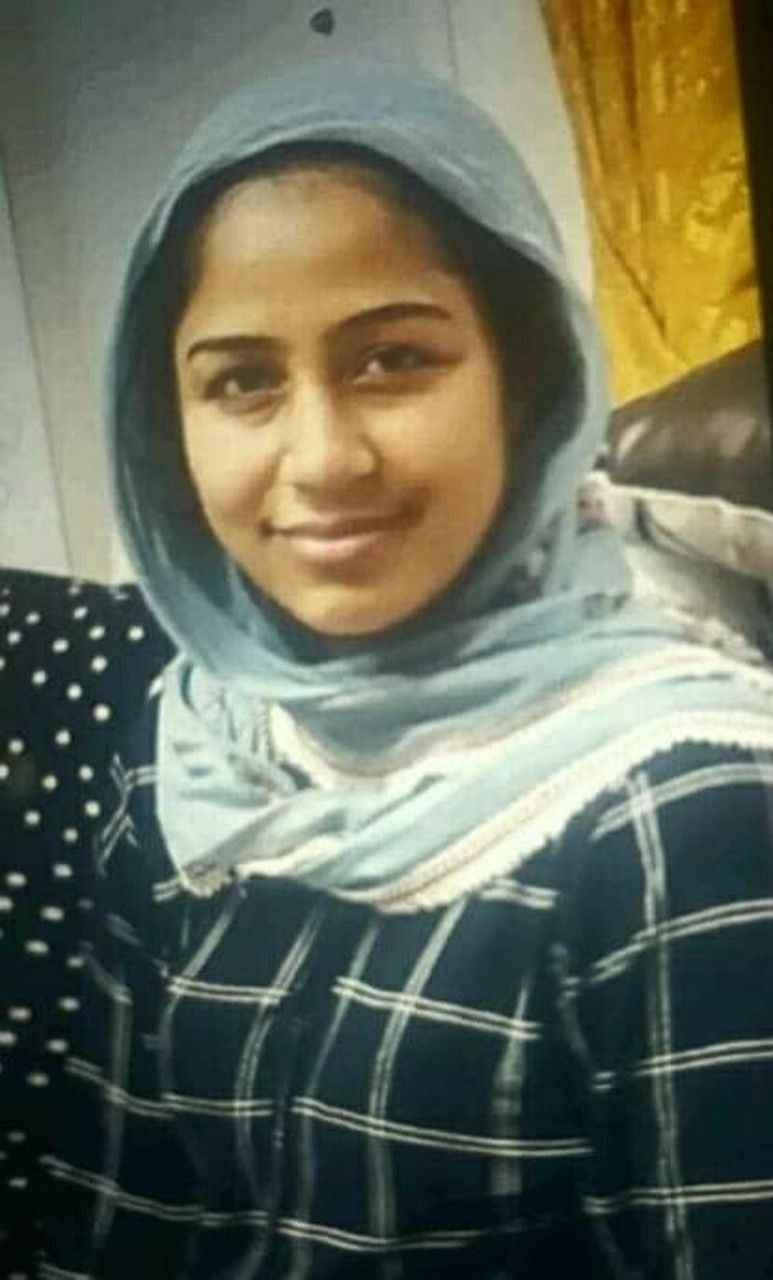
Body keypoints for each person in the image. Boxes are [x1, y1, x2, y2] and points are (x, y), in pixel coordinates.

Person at [43, 61, 773, 1279]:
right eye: (241, 380)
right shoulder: (199, 743)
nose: (322, 458)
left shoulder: (682, 807)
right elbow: (121, 1225)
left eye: (391, 359)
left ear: (525, 378)